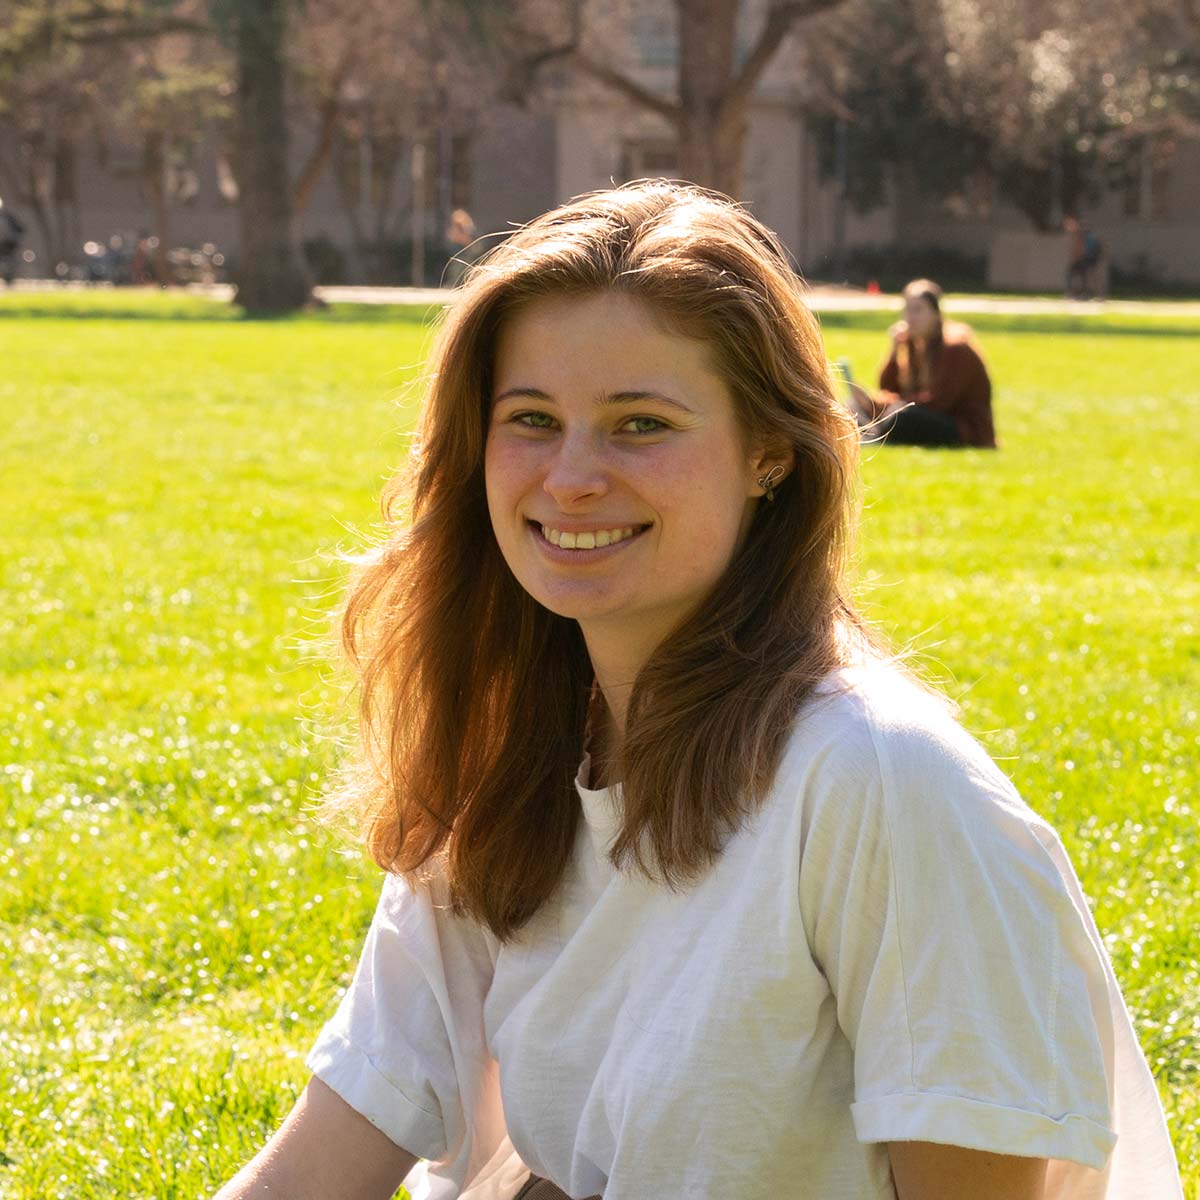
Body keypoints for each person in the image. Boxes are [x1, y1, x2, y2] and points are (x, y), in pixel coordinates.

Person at [215, 183, 1181, 1200]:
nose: (572, 475)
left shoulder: (881, 784)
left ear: (770, 454)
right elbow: (326, 1161)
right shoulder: (507, 761)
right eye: (533, 418)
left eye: (640, 424)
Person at [845, 279, 996, 448]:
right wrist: (894, 351)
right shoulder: (915, 345)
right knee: (851, 406)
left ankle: (873, 435)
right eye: (907, 310)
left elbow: (938, 402)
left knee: (902, 418)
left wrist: (880, 405)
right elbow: (888, 388)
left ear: (936, 314)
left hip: (964, 430)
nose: (910, 318)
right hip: (927, 415)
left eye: (918, 310)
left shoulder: (956, 348)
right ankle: (867, 432)